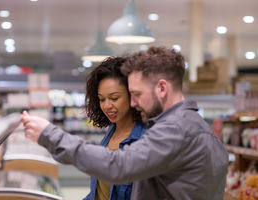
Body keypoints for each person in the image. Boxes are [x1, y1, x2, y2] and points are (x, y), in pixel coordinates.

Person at [22, 46, 228, 200]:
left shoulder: (176, 129)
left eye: (136, 94)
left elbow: (118, 167)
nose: (133, 102)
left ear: (162, 88)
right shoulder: (192, 126)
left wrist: (49, 134)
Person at [25, 57, 147, 200]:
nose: (107, 106)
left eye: (114, 98)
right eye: (101, 99)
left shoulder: (145, 140)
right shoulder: (111, 132)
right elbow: (99, 193)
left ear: (132, 96)